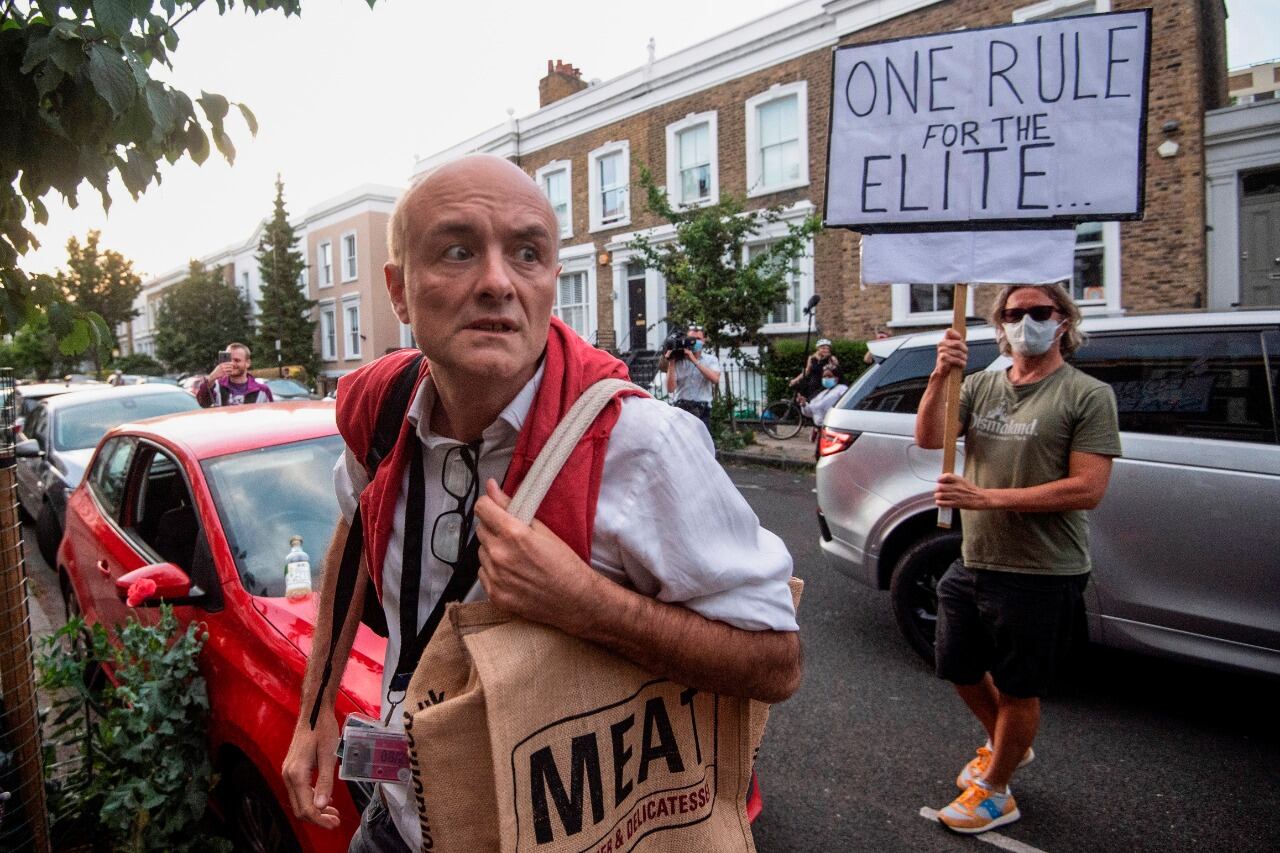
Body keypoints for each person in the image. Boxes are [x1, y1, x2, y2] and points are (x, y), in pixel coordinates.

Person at [281, 155, 801, 853]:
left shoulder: (640, 443)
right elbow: (353, 523)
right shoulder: (382, 408)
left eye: (527, 253)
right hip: (397, 823)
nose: (497, 282)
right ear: (399, 292)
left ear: (551, 281)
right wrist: (312, 712)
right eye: (459, 250)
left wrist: (586, 604)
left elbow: (777, 661)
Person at [915, 283, 1120, 835]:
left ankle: (997, 790)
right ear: (998, 324)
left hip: (1042, 570)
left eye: (1038, 311)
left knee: (1019, 687)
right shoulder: (978, 384)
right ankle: (1010, 747)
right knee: (956, 666)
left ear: (1063, 321)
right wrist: (939, 375)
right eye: (1012, 313)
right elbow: (931, 436)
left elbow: (1087, 488)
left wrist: (985, 498)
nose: (1024, 321)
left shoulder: (1086, 394)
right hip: (976, 558)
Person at [664, 323, 721, 432]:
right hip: (682, 408)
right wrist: (671, 362)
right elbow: (670, 389)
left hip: (703, 409)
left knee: (702, 445)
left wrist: (694, 360)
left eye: (698, 338)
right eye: (692, 338)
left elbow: (715, 379)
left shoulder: (711, 360)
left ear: (704, 340)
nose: (694, 341)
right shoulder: (679, 361)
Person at [195, 342, 274, 407]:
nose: (232, 363)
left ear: (247, 363)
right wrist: (212, 377)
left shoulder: (262, 391)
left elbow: (270, 419)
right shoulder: (216, 386)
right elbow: (203, 404)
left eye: (237, 360)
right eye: (229, 359)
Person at [800, 365, 848, 459]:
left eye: (829, 376)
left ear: (837, 378)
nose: (826, 379)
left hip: (832, 431)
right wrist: (804, 404)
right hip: (821, 431)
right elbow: (811, 411)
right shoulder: (822, 393)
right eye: (824, 376)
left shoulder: (842, 390)